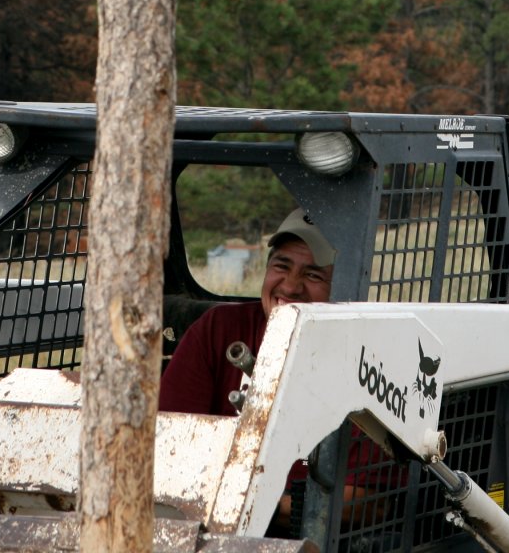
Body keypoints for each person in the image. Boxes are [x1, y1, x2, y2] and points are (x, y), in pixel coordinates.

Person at [159, 209, 394, 535]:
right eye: (282, 266)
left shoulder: (367, 362)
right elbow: (168, 447)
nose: (291, 286)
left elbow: (374, 501)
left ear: (345, 287)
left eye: (313, 275)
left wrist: (266, 508)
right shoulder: (219, 329)